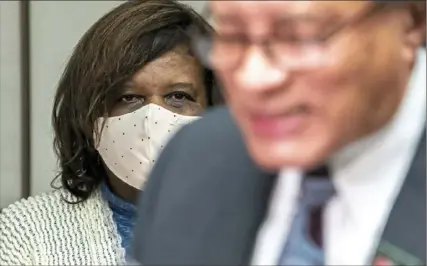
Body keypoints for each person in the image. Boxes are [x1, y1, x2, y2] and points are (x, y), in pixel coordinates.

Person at [132, 1, 426, 265]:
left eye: (301, 37)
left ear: (411, 21)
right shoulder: (195, 158)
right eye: (233, 36)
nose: (254, 78)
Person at [0, 0, 222, 264]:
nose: (152, 119)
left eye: (178, 96)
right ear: (89, 115)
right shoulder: (29, 234)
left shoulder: (264, 228)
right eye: (129, 97)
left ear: (215, 107)